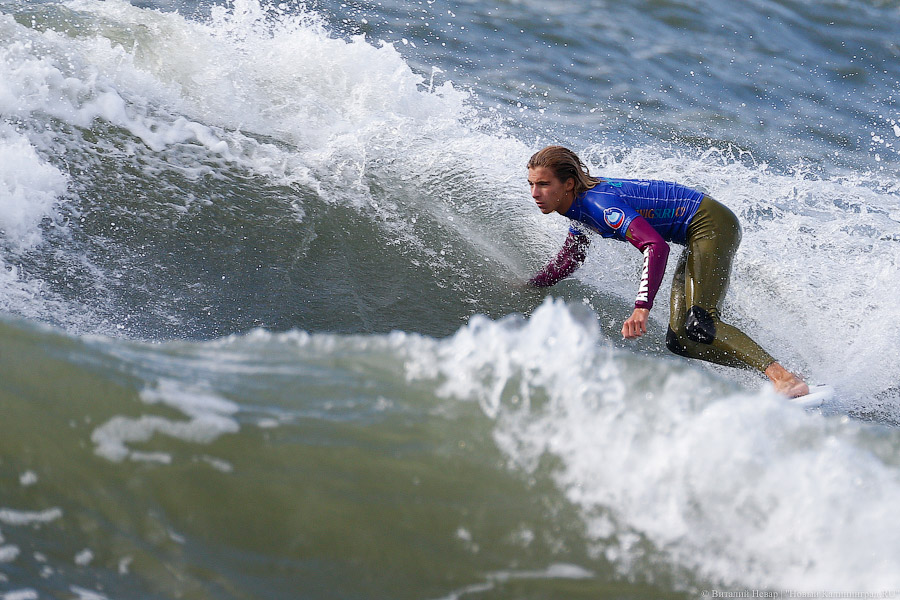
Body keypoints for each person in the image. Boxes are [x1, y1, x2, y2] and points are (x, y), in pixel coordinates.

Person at [525, 145, 809, 398]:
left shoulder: (600, 205)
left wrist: (641, 308)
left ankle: (783, 378)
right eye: (531, 184)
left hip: (710, 223)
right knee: (681, 340)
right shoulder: (576, 208)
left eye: (543, 184)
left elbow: (655, 246)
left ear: (568, 184)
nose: (535, 193)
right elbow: (571, 258)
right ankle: (775, 374)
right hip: (694, 234)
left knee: (701, 321)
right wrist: (529, 286)